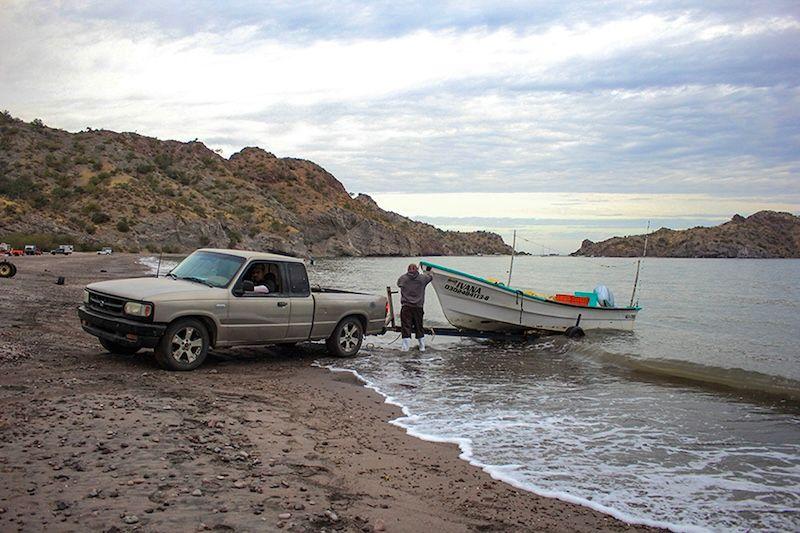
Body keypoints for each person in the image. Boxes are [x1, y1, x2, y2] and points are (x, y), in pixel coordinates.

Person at [397, 263, 432, 352]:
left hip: (406, 307)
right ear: (417, 269)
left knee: (406, 327)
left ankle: (405, 348)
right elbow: (430, 276)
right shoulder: (422, 279)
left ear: (407, 269)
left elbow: (398, 284)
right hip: (418, 307)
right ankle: (422, 347)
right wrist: (427, 270)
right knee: (419, 326)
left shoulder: (403, 279)